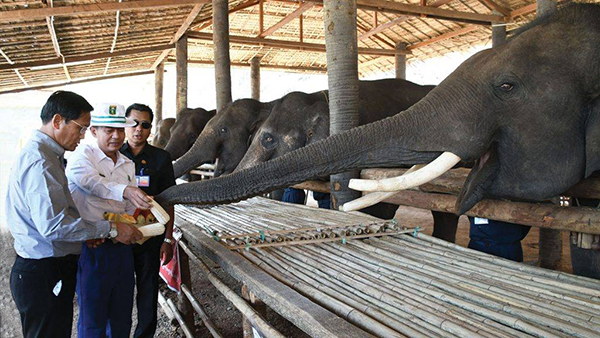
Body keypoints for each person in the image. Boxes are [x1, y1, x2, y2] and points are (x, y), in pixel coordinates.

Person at [6, 91, 143, 338]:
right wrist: (110, 228)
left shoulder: (51, 156)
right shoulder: (42, 161)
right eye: (81, 129)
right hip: (44, 268)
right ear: (57, 121)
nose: (81, 136)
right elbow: (55, 225)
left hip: (61, 259)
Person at [66, 103, 152, 337]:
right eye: (108, 130)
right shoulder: (81, 158)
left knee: (121, 315)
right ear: (94, 131)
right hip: (93, 246)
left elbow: (128, 207)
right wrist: (126, 190)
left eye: (120, 130)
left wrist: (144, 213)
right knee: (93, 318)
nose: (116, 136)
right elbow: (93, 184)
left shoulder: (127, 163)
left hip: (121, 246)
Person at [120, 103, 176, 338]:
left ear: (150, 129)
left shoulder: (161, 159)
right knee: (119, 290)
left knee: (148, 289)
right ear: (125, 124)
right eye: (133, 123)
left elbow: (169, 201)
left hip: (149, 235)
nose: (138, 129)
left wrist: (168, 238)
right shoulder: (112, 155)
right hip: (119, 234)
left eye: (144, 125)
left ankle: (144, 335)